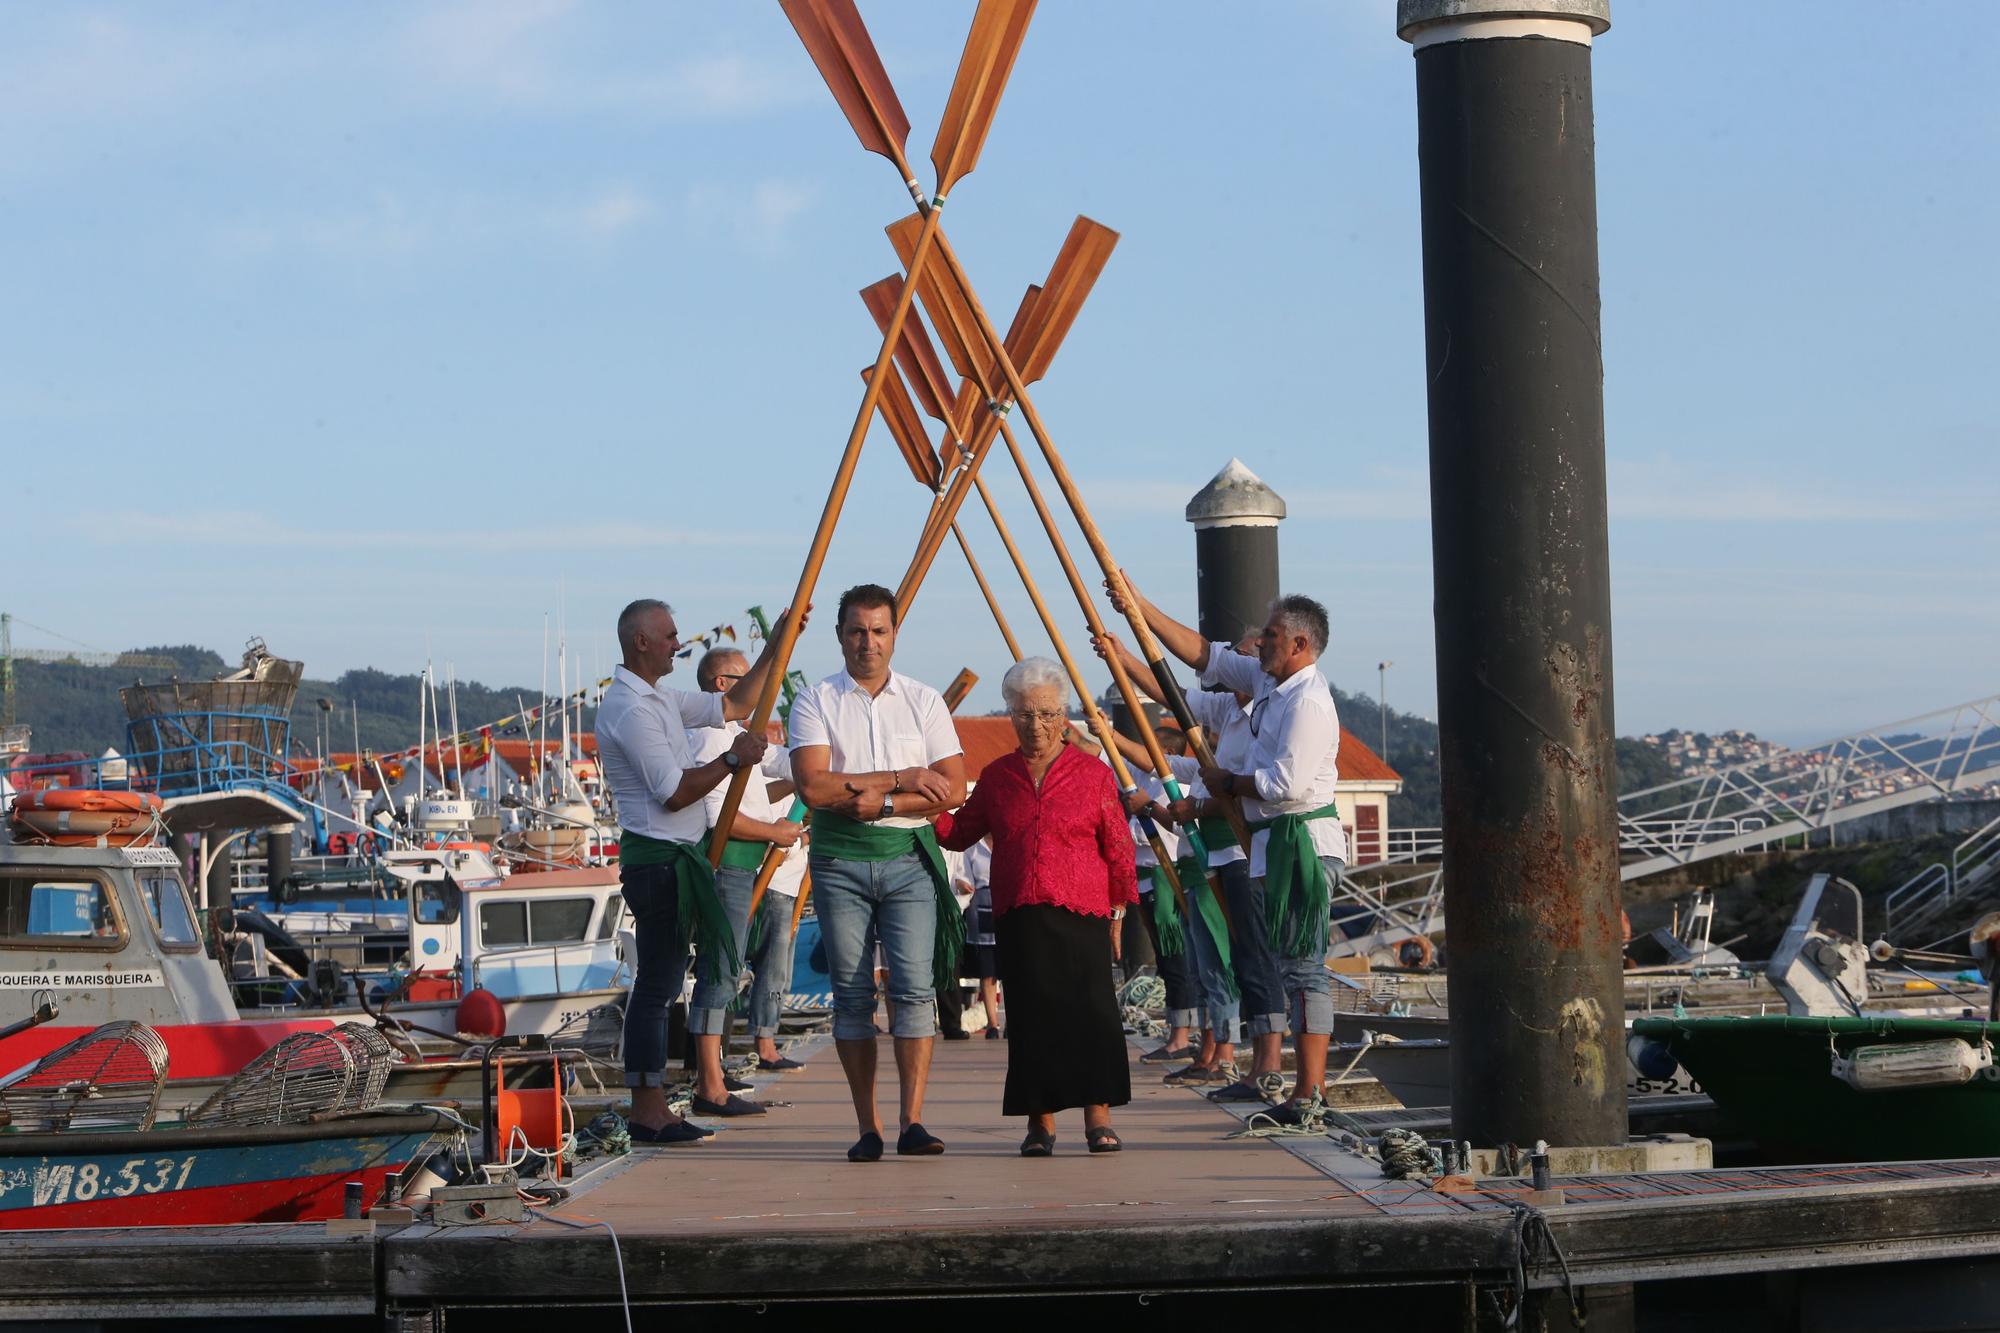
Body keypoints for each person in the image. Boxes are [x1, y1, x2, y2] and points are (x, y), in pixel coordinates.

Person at [1106, 582, 1344, 1126]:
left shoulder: (1306, 701)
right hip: (1270, 847)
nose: (1261, 644)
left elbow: (1286, 784)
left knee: (1303, 967)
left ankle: (1311, 1089)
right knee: (1284, 965)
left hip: (1300, 845)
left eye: (1272, 636)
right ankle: (1300, 1085)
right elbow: (1201, 656)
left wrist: (1228, 783)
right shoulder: (1268, 682)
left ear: (1301, 645)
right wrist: (1138, 606)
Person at [595, 596, 803, 1145]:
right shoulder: (631, 709)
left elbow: (733, 703)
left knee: (665, 981)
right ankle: (648, 1108)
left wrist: (779, 641)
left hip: (676, 858)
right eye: (668, 636)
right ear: (640, 642)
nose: (678, 644)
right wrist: (733, 760)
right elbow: (674, 792)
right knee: (658, 984)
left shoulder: (658, 698)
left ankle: (656, 1102)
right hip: (657, 859)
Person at [788, 583, 967, 1162]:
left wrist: (881, 801)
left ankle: (912, 1120)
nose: (869, 642)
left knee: (915, 990)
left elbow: (954, 789)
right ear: (840, 636)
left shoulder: (924, 701)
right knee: (852, 994)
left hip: (906, 857)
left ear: (894, 635)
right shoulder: (814, 700)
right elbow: (813, 786)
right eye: (857, 630)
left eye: (879, 630)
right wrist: (901, 778)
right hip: (839, 862)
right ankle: (868, 1126)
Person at [937, 657, 1137, 1156]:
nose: (1036, 725)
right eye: (1025, 714)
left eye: (1047, 714)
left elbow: (1119, 847)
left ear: (1062, 715)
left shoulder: (1093, 775)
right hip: (1019, 911)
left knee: (1092, 1011)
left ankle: (1098, 1117)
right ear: (1010, 715)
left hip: (1084, 910)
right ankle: (1040, 1123)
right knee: (1030, 1015)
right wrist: (919, 805)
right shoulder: (998, 776)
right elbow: (961, 832)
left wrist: (1118, 911)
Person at [1096, 631, 1274, 1103]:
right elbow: (1167, 762)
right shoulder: (1228, 718)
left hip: (1238, 856)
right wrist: (1111, 721)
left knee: (1238, 962)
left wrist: (1192, 807)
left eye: (1241, 657)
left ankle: (1232, 1054)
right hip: (1204, 863)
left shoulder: (1270, 712)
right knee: (1209, 963)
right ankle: (1216, 1051)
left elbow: (1249, 789)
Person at [685, 647, 807, 1114]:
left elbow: (783, 765)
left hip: (747, 865)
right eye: (747, 677)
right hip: (727, 864)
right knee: (721, 968)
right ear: (722, 685)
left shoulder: (739, 735)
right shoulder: (710, 740)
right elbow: (721, 820)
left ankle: (714, 1073)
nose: (759, 688)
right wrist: (775, 831)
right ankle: (709, 1086)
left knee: (730, 968)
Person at [960, 836, 1003, 1038]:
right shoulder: (973, 847)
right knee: (988, 971)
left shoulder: (1008, 839)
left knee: (1010, 969)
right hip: (982, 905)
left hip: (1006, 904)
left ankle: (1013, 1023)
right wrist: (963, 885)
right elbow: (964, 876)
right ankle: (992, 1024)